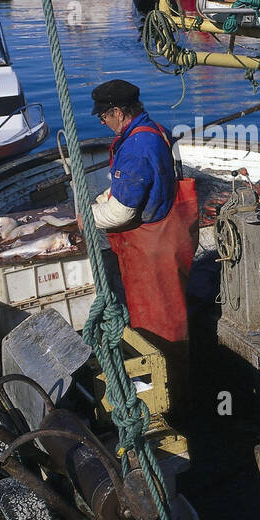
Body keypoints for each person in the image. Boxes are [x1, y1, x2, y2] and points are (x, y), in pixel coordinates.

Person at [89, 79, 199, 344]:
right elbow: (149, 182)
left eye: (104, 117)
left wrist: (86, 216)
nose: (103, 123)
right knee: (175, 312)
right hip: (172, 240)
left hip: (151, 254)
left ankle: (170, 377)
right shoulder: (157, 131)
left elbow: (122, 213)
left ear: (118, 112)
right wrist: (104, 197)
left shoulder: (135, 148)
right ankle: (180, 365)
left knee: (158, 327)